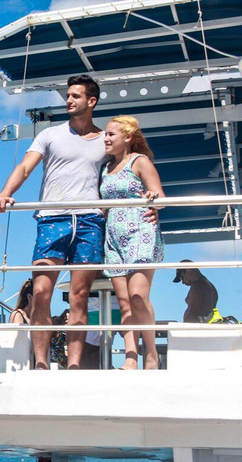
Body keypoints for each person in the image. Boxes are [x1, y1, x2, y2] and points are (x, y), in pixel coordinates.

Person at [0, 74, 156, 369]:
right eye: (67, 95)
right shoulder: (50, 135)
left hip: (90, 222)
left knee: (79, 297)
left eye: (75, 96)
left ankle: (74, 364)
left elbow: (126, 169)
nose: (68, 100)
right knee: (41, 292)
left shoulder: (105, 143)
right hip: (52, 219)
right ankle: (40, 363)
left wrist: (151, 202)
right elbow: (26, 166)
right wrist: (5, 193)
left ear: (91, 101)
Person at [100, 115, 165, 370]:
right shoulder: (105, 168)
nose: (105, 138)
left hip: (141, 232)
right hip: (114, 238)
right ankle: (130, 357)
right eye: (105, 134)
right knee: (124, 302)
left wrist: (153, 198)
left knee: (138, 296)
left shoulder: (140, 161)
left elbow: (159, 195)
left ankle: (151, 353)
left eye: (111, 134)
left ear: (127, 138)